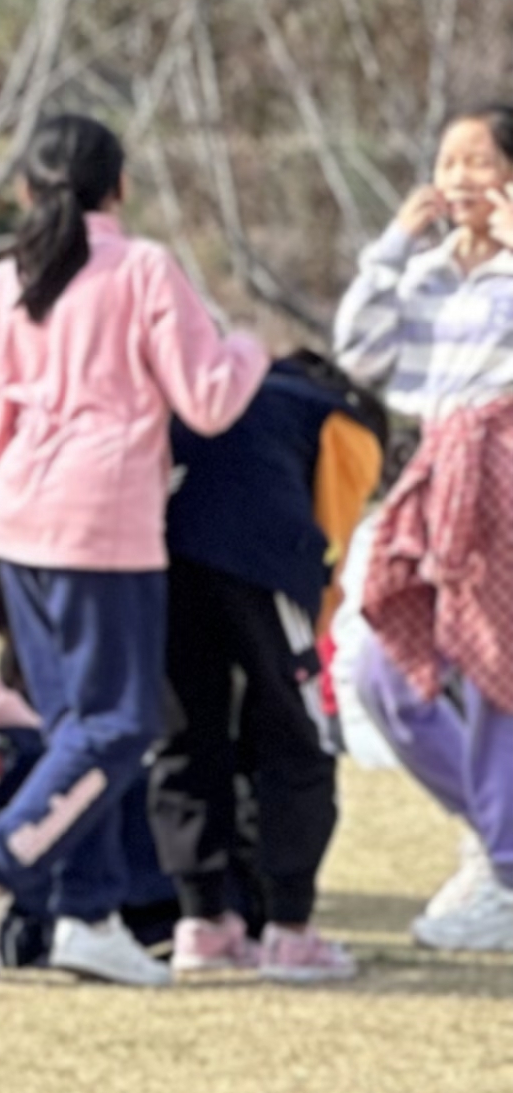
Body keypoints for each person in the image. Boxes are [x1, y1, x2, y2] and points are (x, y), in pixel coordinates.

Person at [0, 115, 268, 989]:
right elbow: (210, 396)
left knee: (73, 728)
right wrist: (250, 344)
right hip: (107, 528)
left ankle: (89, 913)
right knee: (118, 729)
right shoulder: (142, 269)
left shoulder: (3, 283)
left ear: (26, 194)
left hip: (19, 525)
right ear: (118, 189)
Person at [331, 102, 513, 953]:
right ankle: (493, 840)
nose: (461, 179)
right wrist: (391, 248)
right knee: (381, 672)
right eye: (449, 163)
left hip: (506, 479)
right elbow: (360, 355)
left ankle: (505, 878)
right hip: (433, 479)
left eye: (480, 161)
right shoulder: (427, 271)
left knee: (497, 682)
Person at [150, 349, 380, 980]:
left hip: (165, 552)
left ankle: (202, 922)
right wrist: (314, 630)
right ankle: (290, 928)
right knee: (297, 734)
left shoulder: (219, 384)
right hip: (266, 558)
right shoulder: (340, 419)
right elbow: (329, 538)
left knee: (185, 732)